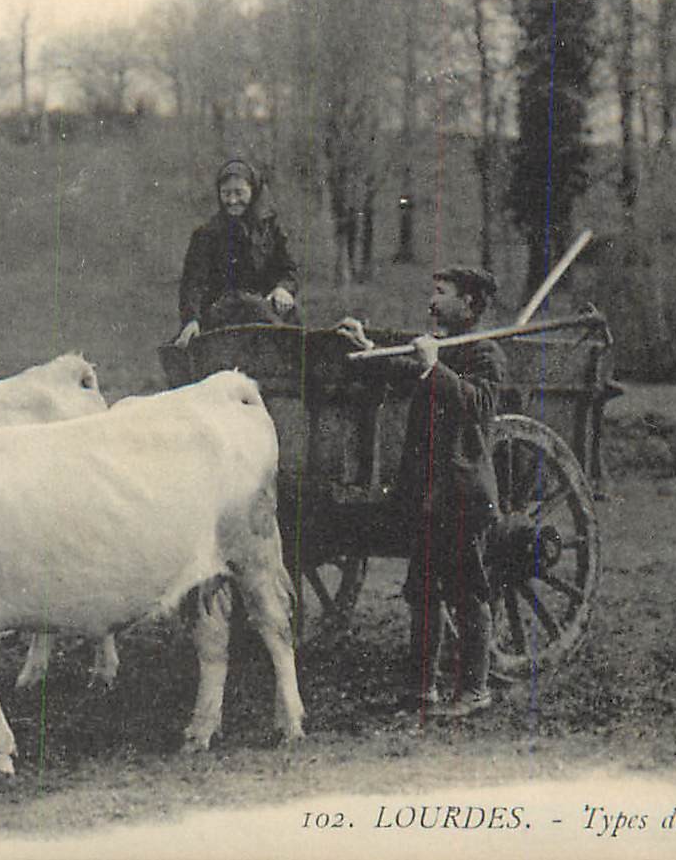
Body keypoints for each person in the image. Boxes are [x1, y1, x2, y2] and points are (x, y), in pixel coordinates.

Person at [338, 266, 506, 718]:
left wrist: (435, 367)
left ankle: (475, 690)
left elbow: (482, 405)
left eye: (442, 293)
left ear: (468, 304)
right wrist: (368, 348)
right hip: (429, 494)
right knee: (424, 592)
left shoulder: (485, 352)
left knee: (468, 590)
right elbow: (399, 369)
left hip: (463, 493)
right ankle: (421, 690)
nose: (433, 301)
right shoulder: (441, 348)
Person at [175, 158, 300, 348]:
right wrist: (191, 319)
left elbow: (289, 269)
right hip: (223, 315)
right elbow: (193, 283)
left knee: (295, 318)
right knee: (250, 306)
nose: (232, 200)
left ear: (253, 191)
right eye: (226, 194)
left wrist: (283, 289)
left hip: (267, 310)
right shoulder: (207, 234)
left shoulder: (270, 228)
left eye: (239, 193)